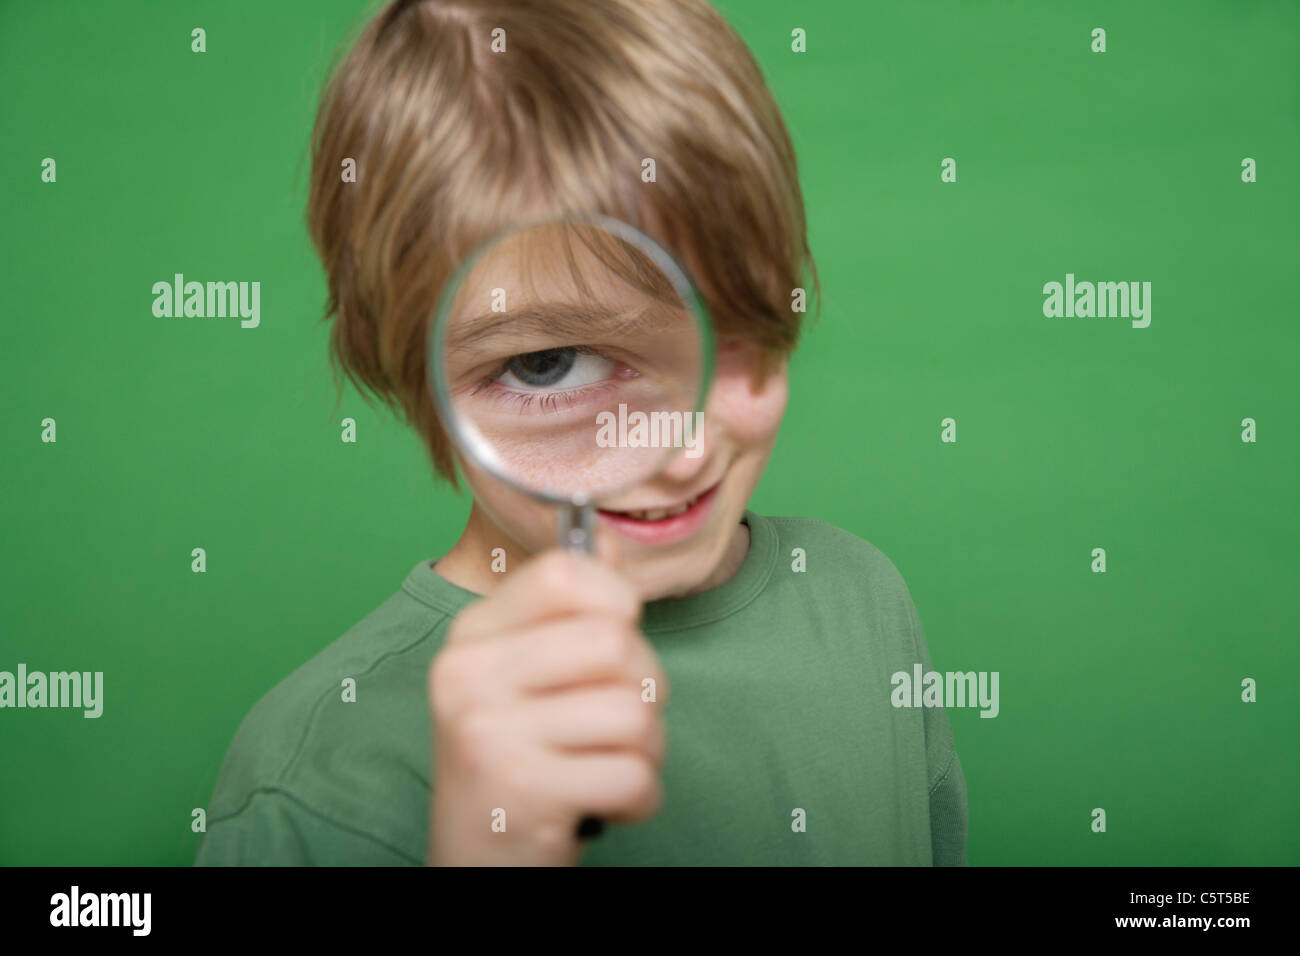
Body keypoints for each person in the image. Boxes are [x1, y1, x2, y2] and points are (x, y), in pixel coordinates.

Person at [195, 0, 967, 866]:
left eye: (736, 323)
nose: (683, 450)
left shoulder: (861, 601)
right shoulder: (313, 781)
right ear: (416, 378)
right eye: (549, 365)